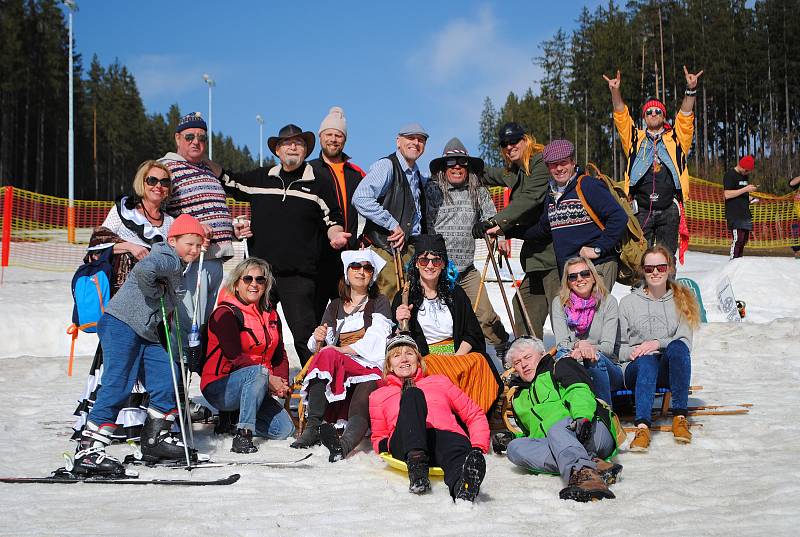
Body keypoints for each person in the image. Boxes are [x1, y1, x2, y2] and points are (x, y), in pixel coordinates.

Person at [71, 214, 205, 476]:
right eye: (189, 243)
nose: (195, 249)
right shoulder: (166, 257)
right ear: (172, 240)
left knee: (167, 379)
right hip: (122, 324)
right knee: (119, 382)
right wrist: (155, 291)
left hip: (146, 332)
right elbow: (144, 270)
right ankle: (88, 450)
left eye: (198, 245)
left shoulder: (177, 264)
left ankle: (156, 441)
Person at [210, 124, 350, 366]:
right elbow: (227, 178)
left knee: (305, 337)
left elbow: (333, 218)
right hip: (260, 276)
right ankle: (260, 384)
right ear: (277, 150)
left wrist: (335, 235)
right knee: (257, 333)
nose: (293, 146)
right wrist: (200, 158)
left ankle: (317, 391)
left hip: (299, 276)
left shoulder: (319, 183)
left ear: (306, 150)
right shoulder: (260, 179)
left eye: (299, 143)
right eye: (287, 143)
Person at [72, 160, 175, 441]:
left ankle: (146, 430)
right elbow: (96, 247)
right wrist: (129, 246)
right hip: (121, 302)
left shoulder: (170, 224)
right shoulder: (122, 212)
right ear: (143, 183)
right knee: (120, 366)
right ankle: (101, 432)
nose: (158, 187)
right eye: (153, 180)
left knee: (153, 364)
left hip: (153, 307)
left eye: (164, 182)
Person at [291, 249, 392, 460]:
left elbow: (378, 336)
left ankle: (343, 446)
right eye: (356, 266)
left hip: (368, 362)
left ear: (373, 275)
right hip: (340, 365)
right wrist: (319, 336)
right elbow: (321, 343)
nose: (361, 271)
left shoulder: (379, 302)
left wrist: (340, 350)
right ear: (347, 272)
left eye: (367, 267)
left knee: (365, 390)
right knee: (326, 354)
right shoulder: (335, 305)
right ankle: (313, 427)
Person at [160, 112, 246, 355]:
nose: (196, 142)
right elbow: (159, 213)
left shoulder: (207, 170)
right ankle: (176, 383)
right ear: (178, 138)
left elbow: (209, 211)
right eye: (189, 136)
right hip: (191, 262)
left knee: (204, 328)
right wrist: (191, 227)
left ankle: (195, 380)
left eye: (201, 137)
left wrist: (233, 229)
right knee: (188, 327)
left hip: (215, 259)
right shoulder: (168, 167)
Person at [369, 334, 489, 502]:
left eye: (409, 354)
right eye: (396, 355)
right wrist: (385, 444)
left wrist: (477, 447)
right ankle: (417, 467)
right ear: (389, 365)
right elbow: (378, 436)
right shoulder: (378, 396)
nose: (403, 359)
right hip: (406, 443)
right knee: (412, 393)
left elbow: (474, 414)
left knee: (456, 451)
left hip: (444, 437)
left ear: (418, 360)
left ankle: (462, 487)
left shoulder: (440, 382)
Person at [393, 234, 502, 414]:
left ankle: (475, 416)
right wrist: (399, 323)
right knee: (431, 367)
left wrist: (456, 359)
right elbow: (397, 342)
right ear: (416, 263)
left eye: (436, 261)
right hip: (427, 360)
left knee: (481, 362)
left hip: (458, 355)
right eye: (423, 260)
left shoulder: (455, 293)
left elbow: (472, 332)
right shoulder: (404, 296)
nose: (429, 265)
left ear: (443, 264)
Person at [504, 337, 622, 503]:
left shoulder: (559, 366)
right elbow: (534, 435)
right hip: (561, 445)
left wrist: (582, 417)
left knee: (557, 428)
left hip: (590, 431)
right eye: (517, 362)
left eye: (527, 357)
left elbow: (579, 390)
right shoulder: (518, 398)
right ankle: (594, 466)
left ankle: (585, 476)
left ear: (541, 354)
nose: (523, 364)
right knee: (514, 449)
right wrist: (512, 438)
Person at [603, 67, 703, 259]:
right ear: (644, 117)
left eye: (658, 110)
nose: (653, 113)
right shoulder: (635, 139)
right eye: (649, 111)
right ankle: (641, 289)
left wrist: (690, 90)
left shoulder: (676, 138)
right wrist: (615, 91)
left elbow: (685, 118)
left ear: (664, 115)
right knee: (641, 258)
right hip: (640, 208)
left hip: (669, 208)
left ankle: (668, 289)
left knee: (667, 258)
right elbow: (622, 118)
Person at [426, 137, 511, 360]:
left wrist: (500, 236)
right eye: (451, 162)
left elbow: (493, 218)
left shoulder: (478, 190)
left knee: (485, 315)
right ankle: (444, 361)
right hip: (436, 271)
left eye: (461, 162)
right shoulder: (431, 190)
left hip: (466, 271)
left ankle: (504, 349)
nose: (456, 167)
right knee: (443, 321)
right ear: (443, 167)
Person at [200, 257, 295, 454]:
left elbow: (280, 355)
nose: (254, 284)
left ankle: (234, 418)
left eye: (260, 280)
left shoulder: (271, 315)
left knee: (284, 429)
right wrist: (269, 379)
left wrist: (282, 382)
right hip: (220, 387)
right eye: (248, 279)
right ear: (236, 284)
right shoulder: (225, 313)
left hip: (257, 385)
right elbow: (235, 357)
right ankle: (243, 435)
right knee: (258, 371)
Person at [479, 122, 558, 339]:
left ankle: (570, 366)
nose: (510, 146)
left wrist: (498, 222)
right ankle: (529, 363)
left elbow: (530, 198)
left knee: (562, 318)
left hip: (555, 259)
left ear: (525, 140)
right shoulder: (513, 172)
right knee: (523, 310)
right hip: (535, 261)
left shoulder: (540, 162)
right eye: (505, 143)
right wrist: (464, 164)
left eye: (514, 141)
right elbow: (488, 174)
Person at [618, 245, 701, 452]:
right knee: (647, 361)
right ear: (642, 271)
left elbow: (684, 340)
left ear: (670, 268)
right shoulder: (627, 303)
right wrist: (635, 352)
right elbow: (617, 348)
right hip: (637, 368)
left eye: (661, 267)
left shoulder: (681, 299)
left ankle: (680, 417)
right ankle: (643, 427)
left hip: (667, 367)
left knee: (678, 347)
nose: (655, 272)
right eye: (649, 268)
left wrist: (656, 343)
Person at [522, 139, 628, 292]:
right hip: (570, 273)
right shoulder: (551, 194)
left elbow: (619, 217)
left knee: (595, 314)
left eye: (563, 162)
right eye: (553, 164)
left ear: (572, 162)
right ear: (547, 167)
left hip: (596, 267)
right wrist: (505, 230)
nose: (559, 168)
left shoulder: (587, 185)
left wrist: (598, 248)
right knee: (576, 316)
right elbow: (543, 228)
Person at [353, 123, 429, 300]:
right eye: (410, 138)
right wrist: (392, 223)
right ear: (398, 142)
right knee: (387, 302)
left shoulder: (418, 175)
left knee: (408, 303)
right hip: (386, 248)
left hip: (410, 248)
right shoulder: (387, 166)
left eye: (421, 140)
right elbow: (361, 198)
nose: (416, 142)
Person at [309, 106, 366, 306]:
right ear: (320, 136)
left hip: (347, 256)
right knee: (315, 314)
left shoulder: (356, 173)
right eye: (329, 134)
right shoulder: (309, 170)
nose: (333, 139)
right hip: (316, 255)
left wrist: (365, 238)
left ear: (345, 139)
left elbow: (373, 206)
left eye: (338, 135)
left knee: (346, 311)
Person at [551, 256, 623, 405]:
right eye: (573, 276)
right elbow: (561, 344)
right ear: (568, 282)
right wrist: (579, 346)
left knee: (593, 358)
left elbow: (608, 348)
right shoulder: (559, 303)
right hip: (574, 364)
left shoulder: (608, 302)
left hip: (607, 367)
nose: (579, 279)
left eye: (584, 274)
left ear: (593, 277)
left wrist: (586, 349)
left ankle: (605, 414)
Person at [724, 155, 758, 259]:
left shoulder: (744, 177)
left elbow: (741, 193)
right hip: (735, 213)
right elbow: (727, 194)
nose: (748, 173)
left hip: (745, 213)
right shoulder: (730, 175)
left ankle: (739, 262)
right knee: (738, 239)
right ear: (742, 166)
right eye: (747, 171)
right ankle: (733, 261)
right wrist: (746, 189)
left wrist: (750, 198)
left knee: (744, 239)